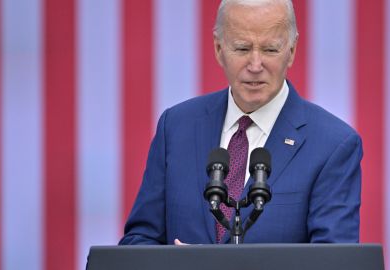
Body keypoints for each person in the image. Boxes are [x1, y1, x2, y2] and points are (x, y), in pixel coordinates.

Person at [119, 0, 362, 245]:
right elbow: (139, 241)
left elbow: (335, 260)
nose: (255, 65)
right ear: (218, 48)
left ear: (292, 50)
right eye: (242, 49)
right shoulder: (176, 128)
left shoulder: (333, 145)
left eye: (270, 50)